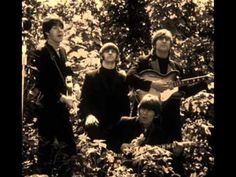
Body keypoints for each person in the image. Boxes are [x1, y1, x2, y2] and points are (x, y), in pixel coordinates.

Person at [126, 28, 208, 143]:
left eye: (167, 39)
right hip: (146, 112)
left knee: (172, 150)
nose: (164, 41)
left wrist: (204, 83)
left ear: (171, 45)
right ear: (154, 43)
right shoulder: (143, 61)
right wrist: (152, 84)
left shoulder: (176, 68)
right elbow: (129, 77)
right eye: (160, 38)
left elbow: (185, 91)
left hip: (169, 116)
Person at [32, 17, 76, 176]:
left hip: (62, 108)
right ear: (46, 32)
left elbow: (68, 76)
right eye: (55, 28)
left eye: (61, 27)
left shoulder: (63, 51)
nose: (60, 30)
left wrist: (73, 89)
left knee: (69, 148)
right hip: (48, 108)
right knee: (46, 148)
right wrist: (62, 97)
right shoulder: (41, 52)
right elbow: (41, 83)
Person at [78, 42, 130, 152]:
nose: (110, 53)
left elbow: (126, 106)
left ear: (117, 56)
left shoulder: (122, 78)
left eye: (113, 51)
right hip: (96, 123)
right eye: (107, 51)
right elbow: (84, 101)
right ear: (102, 55)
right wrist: (88, 115)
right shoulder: (91, 76)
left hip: (117, 124)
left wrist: (125, 124)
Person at [116, 94, 184, 176]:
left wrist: (176, 153)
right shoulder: (125, 123)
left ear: (156, 114)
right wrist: (120, 145)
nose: (145, 113)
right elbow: (107, 140)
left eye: (149, 110)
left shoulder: (160, 132)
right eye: (143, 109)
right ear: (138, 109)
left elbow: (165, 157)